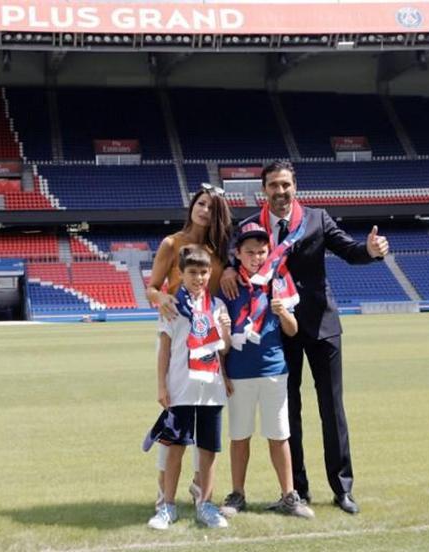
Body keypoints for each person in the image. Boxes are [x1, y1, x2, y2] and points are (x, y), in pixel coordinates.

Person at [220, 160, 389, 515]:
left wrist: (370, 251)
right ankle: (297, 490)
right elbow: (232, 259)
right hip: (280, 330)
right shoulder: (251, 226)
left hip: (322, 326)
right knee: (288, 412)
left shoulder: (318, 219)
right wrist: (224, 270)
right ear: (263, 190)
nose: (280, 192)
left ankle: (342, 488)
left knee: (332, 408)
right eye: (273, 186)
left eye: (286, 185)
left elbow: (350, 251)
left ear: (295, 187)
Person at [218, 222, 315, 519]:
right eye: (250, 252)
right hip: (239, 373)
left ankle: (288, 495)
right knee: (239, 436)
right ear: (238, 253)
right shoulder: (229, 284)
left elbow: (293, 329)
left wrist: (284, 312)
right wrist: (223, 373)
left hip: (274, 369)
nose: (256, 257)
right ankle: (237, 494)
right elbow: (221, 340)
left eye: (261, 252)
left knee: (279, 435)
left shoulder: (278, 280)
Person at [144, 185, 233, 509]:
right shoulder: (172, 243)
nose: (204, 210)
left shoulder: (219, 251)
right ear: (192, 205)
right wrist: (162, 297)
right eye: (200, 203)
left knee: (208, 427)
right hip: (175, 337)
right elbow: (151, 288)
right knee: (174, 421)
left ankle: (200, 489)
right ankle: (163, 493)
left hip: (208, 346)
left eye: (211, 206)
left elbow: (215, 302)